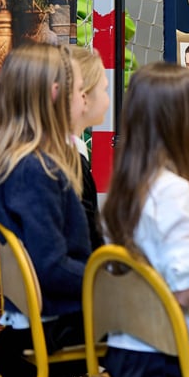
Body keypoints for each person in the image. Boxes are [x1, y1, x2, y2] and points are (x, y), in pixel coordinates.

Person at [101, 62, 189, 377]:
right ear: (177, 126)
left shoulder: (125, 189)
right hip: (170, 355)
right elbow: (186, 291)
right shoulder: (174, 192)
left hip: (126, 349)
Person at [0, 42, 90, 377]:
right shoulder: (36, 171)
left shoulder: (12, 164)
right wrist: (108, 282)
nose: (82, 101)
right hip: (59, 322)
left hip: (42, 318)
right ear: (56, 94)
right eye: (79, 91)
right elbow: (51, 267)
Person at [68, 45, 110, 250]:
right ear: (84, 97)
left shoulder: (74, 154)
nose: (108, 99)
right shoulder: (71, 165)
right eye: (104, 90)